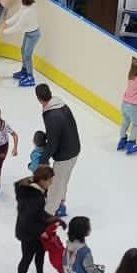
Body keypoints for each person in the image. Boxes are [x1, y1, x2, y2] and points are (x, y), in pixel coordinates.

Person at [13, 163, 59, 273]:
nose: (51, 184)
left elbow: (37, 214)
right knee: (27, 258)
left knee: (40, 252)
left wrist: (52, 219)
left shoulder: (26, 188)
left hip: (30, 228)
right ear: (42, 180)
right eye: (49, 181)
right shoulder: (35, 198)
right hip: (28, 233)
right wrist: (41, 231)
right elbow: (30, 219)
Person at [37, 82, 81, 217]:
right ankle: (61, 204)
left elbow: (53, 142)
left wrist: (43, 159)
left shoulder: (51, 115)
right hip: (75, 149)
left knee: (55, 186)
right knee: (63, 180)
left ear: (38, 98)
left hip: (64, 155)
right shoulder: (62, 106)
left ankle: (49, 213)